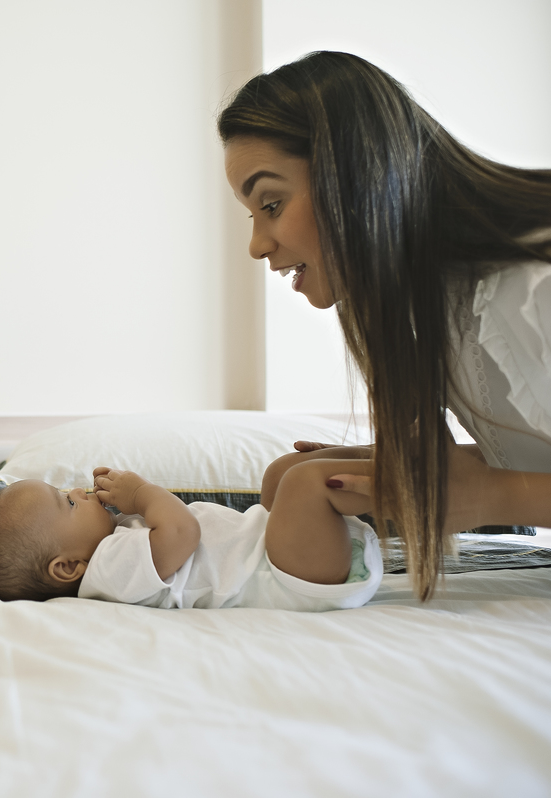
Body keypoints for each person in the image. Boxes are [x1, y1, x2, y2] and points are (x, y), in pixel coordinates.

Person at [218, 51, 551, 599]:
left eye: (271, 203)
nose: (257, 245)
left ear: (352, 176)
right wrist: (411, 470)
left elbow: (514, 482)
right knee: (290, 475)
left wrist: (492, 497)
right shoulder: (436, 314)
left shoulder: (530, 284)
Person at [0, 452, 382, 610]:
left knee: (280, 474)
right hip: (294, 578)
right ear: (69, 566)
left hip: (280, 550)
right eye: (68, 502)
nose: (77, 490)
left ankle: (380, 455)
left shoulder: (112, 542)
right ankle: (415, 477)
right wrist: (142, 493)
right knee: (302, 485)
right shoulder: (108, 571)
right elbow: (183, 533)